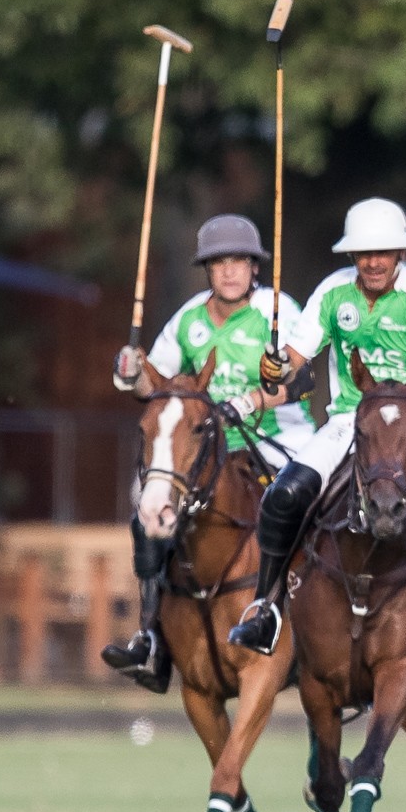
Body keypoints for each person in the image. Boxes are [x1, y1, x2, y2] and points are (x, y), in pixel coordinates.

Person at [227, 197, 406, 655]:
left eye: (384, 252)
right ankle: (266, 607)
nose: (374, 262)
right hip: (353, 418)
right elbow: (296, 360)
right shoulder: (333, 293)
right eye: (365, 253)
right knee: (284, 494)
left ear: (401, 253)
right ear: (352, 256)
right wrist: (277, 365)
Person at [105, 213, 315, 692]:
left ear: (254, 267)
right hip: (205, 449)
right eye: (219, 263)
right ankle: (151, 634)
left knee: (306, 506)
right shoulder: (190, 317)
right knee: (149, 507)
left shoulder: (278, 310)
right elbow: (153, 384)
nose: (229, 272)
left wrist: (254, 399)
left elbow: (300, 380)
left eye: (239, 261)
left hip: (277, 438)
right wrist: (129, 372)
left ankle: (312, 622)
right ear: (207, 270)